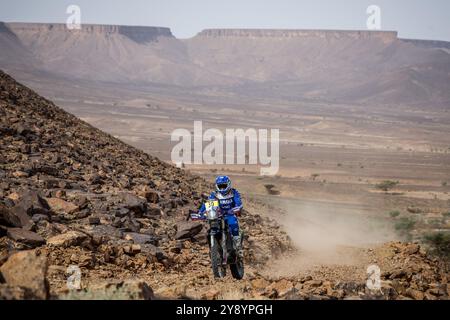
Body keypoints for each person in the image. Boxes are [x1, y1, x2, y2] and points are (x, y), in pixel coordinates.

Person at [196, 175, 243, 258]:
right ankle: (213, 250)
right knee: (209, 230)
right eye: (220, 186)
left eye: (224, 186)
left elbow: (238, 202)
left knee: (233, 224)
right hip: (218, 216)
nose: (222, 188)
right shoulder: (214, 194)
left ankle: (238, 247)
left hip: (230, 214)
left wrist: (237, 208)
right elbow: (208, 204)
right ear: (217, 186)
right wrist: (201, 212)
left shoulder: (234, 192)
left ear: (228, 184)